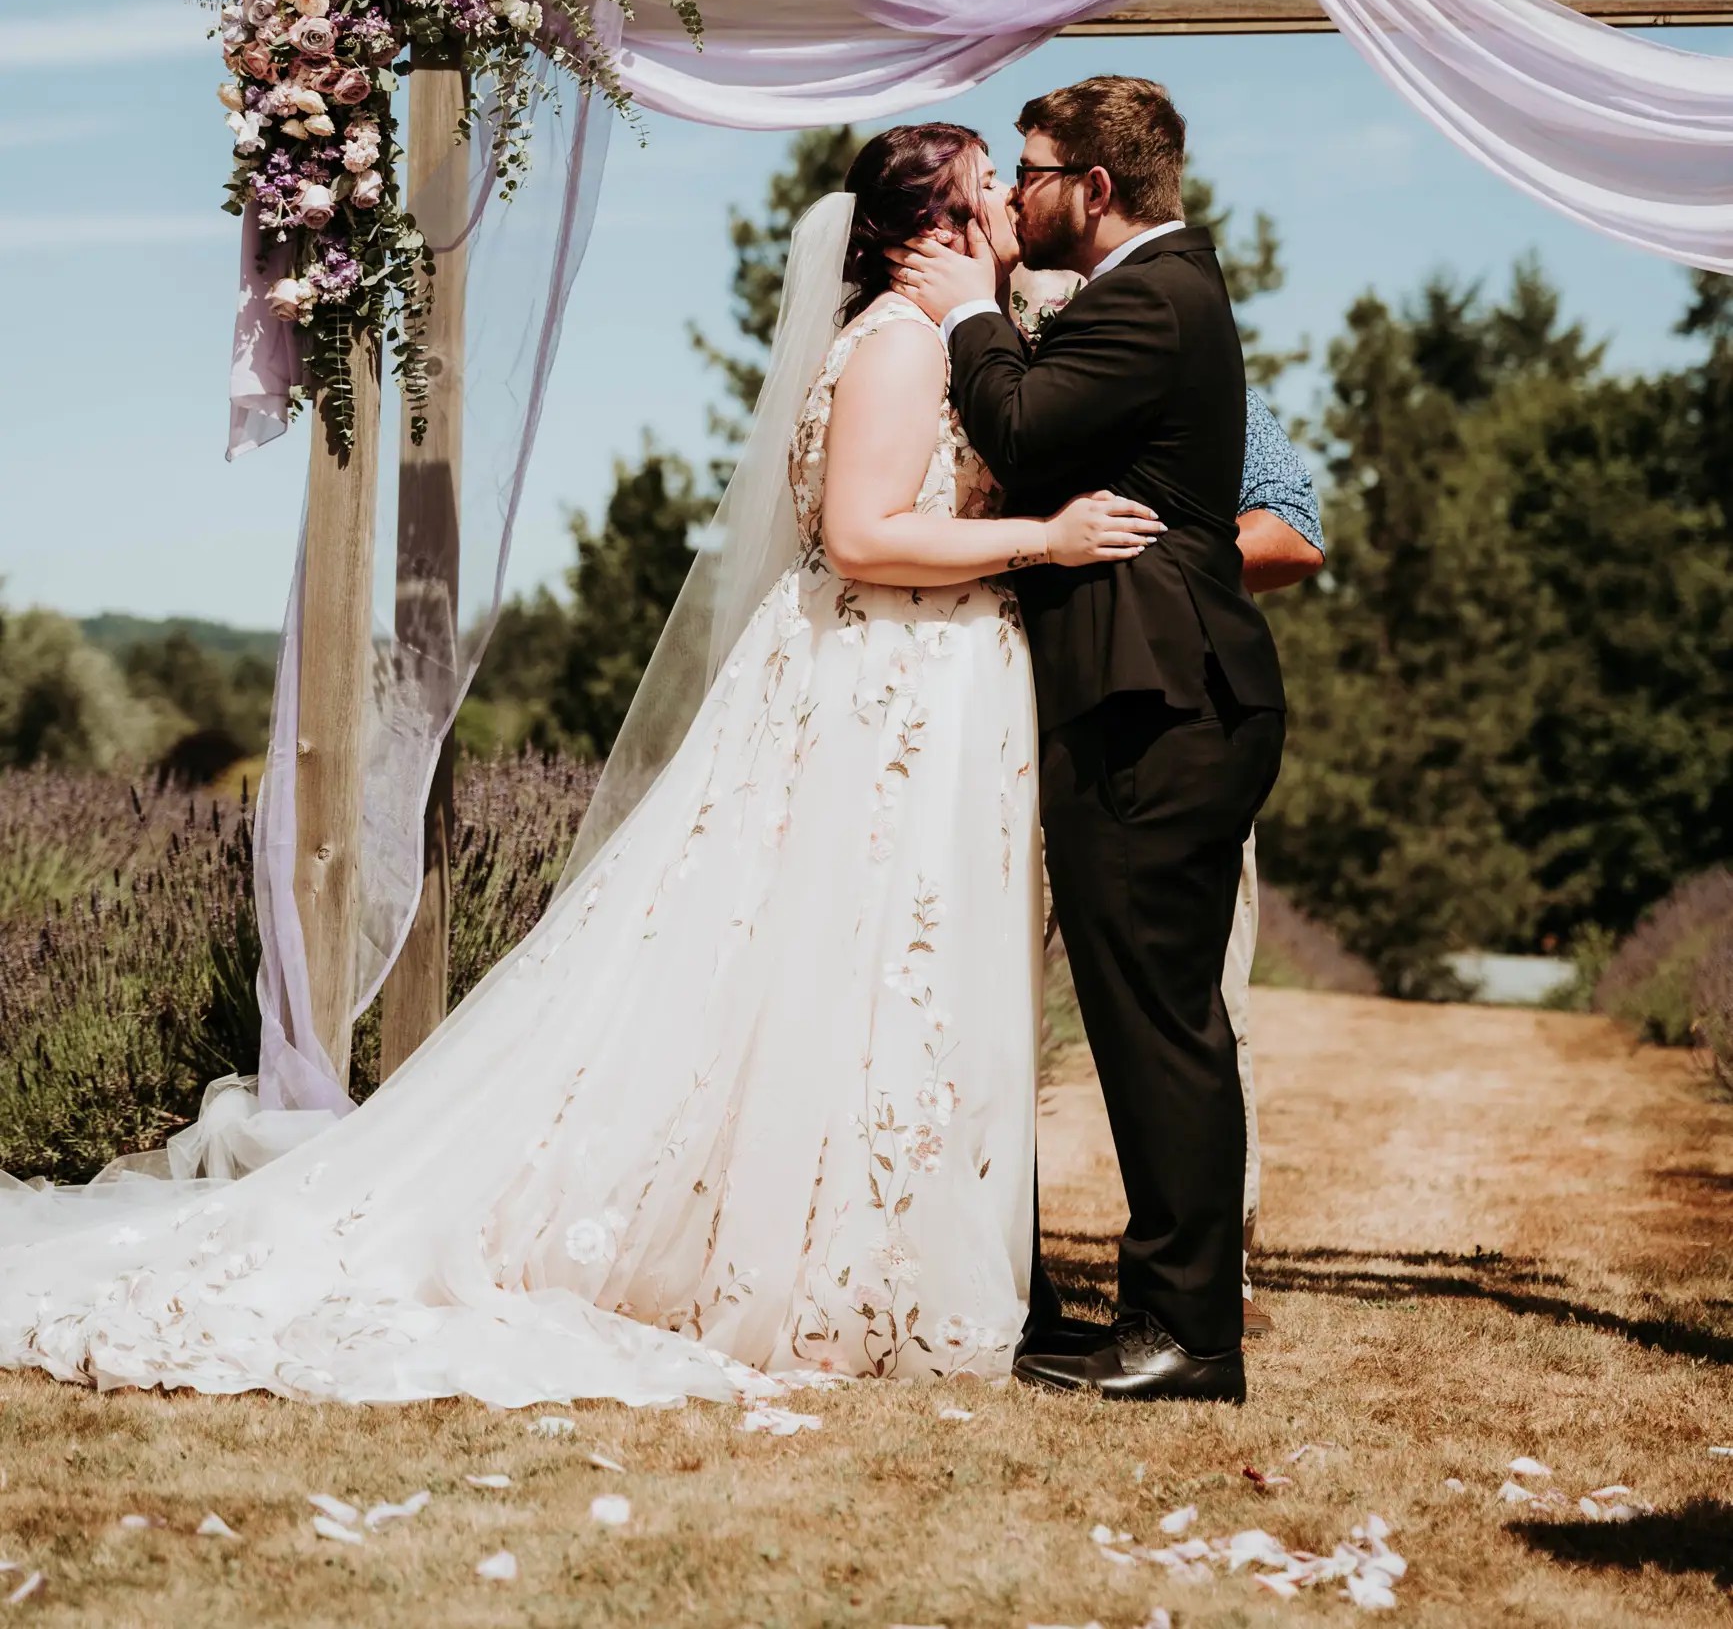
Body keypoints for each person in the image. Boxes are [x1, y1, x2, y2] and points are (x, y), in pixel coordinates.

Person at [0, 125, 1156, 1407]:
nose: (1005, 198)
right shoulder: (894, 342)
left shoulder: (945, 332)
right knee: (839, 952)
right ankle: (803, 1268)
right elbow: (862, 531)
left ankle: (858, 1250)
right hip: (878, 686)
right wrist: (1042, 538)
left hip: (928, 689)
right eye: (984, 182)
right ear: (922, 229)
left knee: (876, 970)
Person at [893, 75, 1286, 1405]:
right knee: (1147, 1021)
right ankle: (1167, 1314)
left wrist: (960, 309)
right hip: (1147, 695)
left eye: (1031, 169)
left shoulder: (1146, 298)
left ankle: (1186, 1332)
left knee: (1160, 1026)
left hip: (1159, 704)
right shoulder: (1157, 290)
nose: (1012, 193)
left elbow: (1016, 423)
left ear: (1093, 190)